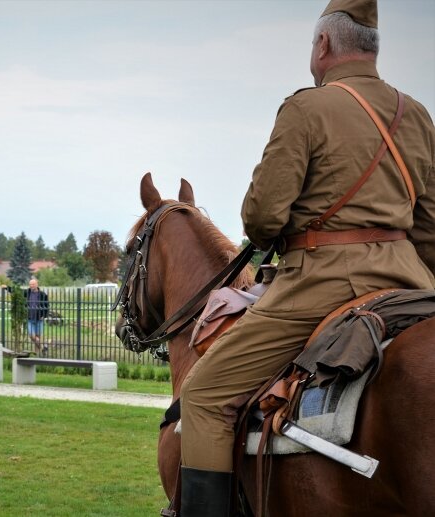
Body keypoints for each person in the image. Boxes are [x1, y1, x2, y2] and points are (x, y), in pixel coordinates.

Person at [177, 0, 435, 515]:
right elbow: (428, 227)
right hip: (410, 282)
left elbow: (263, 219)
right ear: (372, 48)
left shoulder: (306, 108)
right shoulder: (417, 113)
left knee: (203, 396)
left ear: (323, 45)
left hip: (323, 284)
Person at [24, 278, 49, 355]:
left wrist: (44, 316)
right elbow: (16, 291)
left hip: (39, 319)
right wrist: (6, 288)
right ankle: (43, 346)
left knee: (37, 337)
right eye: (30, 284)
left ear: (37, 284)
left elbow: (47, 306)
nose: (31, 286)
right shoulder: (27, 292)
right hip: (30, 318)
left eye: (33, 284)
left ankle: (37, 353)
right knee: (32, 336)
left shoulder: (43, 294)